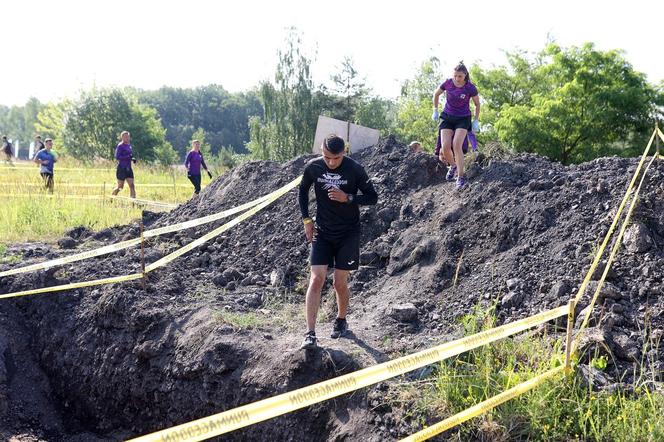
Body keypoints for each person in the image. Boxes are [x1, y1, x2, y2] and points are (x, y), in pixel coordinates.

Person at [298, 134, 378, 350]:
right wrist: (307, 220)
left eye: (335, 158)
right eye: (326, 157)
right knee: (316, 279)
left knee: (339, 283)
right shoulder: (314, 167)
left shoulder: (354, 169)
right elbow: (302, 191)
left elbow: (373, 197)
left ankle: (341, 320)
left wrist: (349, 198)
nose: (331, 163)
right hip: (322, 231)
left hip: (348, 233)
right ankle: (310, 333)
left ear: (344, 152)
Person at [432, 61, 481, 189]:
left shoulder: (470, 87)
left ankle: (460, 177)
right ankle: (453, 166)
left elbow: (477, 104)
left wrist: (476, 120)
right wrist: (435, 110)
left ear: (465, 75)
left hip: (463, 118)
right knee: (445, 146)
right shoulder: (448, 83)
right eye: (455, 76)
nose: (457, 79)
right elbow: (436, 94)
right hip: (447, 116)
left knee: (456, 145)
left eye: (460, 76)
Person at [112, 131, 136, 199]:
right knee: (120, 187)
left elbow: (130, 155)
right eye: (125, 137)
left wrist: (132, 158)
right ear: (122, 137)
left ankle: (133, 201)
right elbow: (117, 157)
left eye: (128, 136)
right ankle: (112, 198)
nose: (127, 138)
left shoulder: (129, 145)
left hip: (128, 168)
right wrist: (126, 157)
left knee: (132, 185)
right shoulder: (120, 146)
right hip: (122, 168)